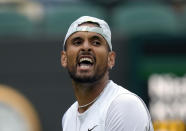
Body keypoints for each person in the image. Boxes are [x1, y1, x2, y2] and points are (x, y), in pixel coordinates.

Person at [61, 16, 154, 131]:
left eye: (95, 42)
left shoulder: (123, 105)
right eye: (77, 42)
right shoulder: (69, 116)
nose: (85, 47)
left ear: (110, 59)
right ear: (64, 58)